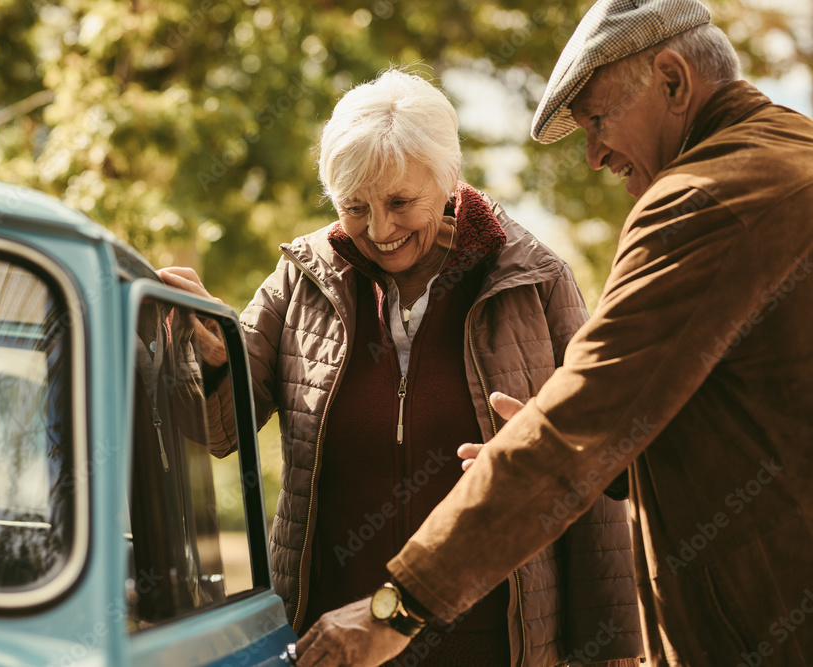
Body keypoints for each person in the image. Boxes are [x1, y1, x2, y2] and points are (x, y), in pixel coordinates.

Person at [293, 0, 813, 665]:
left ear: (675, 82)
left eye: (597, 118)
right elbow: (739, 421)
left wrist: (393, 608)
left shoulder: (702, 200)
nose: (594, 154)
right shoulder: (790, 154)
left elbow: (575, 429)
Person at [160, 69, 643, 665]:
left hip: (491, 643)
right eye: (355, 207)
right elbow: (220, 431)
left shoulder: (535, 280)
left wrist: (612, 645)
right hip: (331, 639)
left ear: (448, 183)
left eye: (399, 202)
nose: (380, 231)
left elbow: (591, 467)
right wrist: (209, 358)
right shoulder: (301, 278)